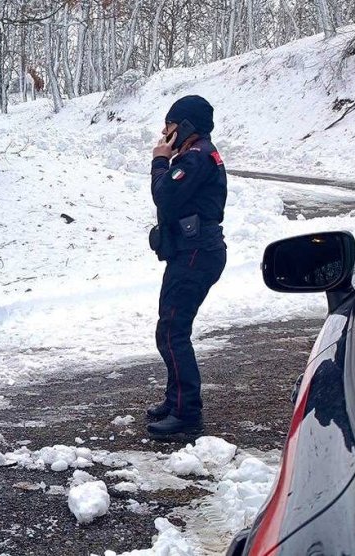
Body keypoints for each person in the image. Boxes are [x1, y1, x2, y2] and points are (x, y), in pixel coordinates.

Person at [146, 95, 228, 437]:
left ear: (187, 126)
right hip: (191, 250)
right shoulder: (197, 154)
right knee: (170, 327)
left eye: (171, 126)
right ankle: (176, 399)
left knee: (172, 331)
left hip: (197, 252)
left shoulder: (195, 158)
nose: (166, 133)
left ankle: (186, 414)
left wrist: (160, 162)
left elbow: (164, 195)